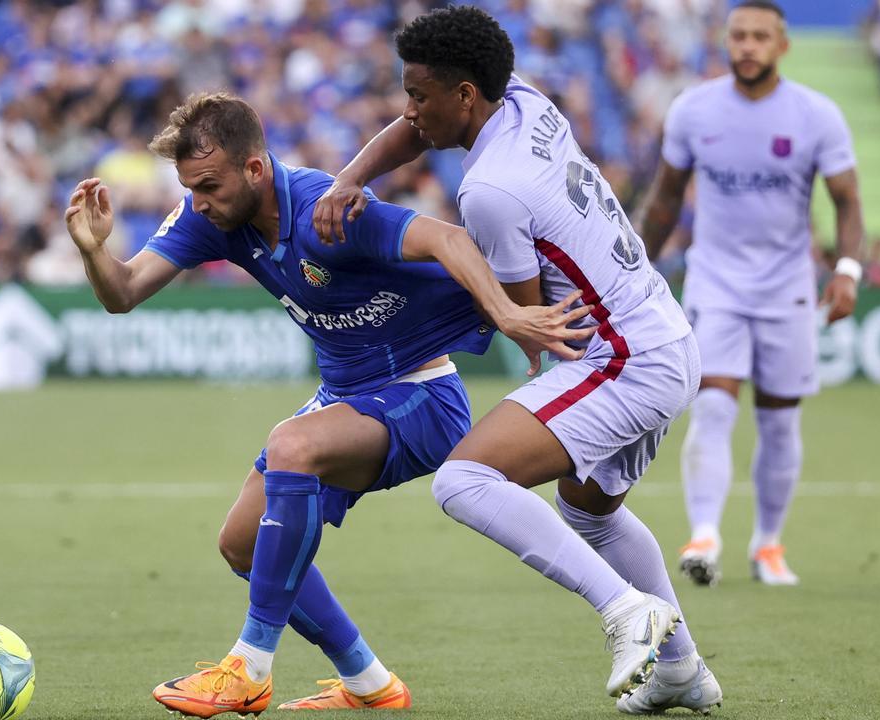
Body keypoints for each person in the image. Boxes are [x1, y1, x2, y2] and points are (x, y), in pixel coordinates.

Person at [64, 91, 593, 718]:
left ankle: (249, 668)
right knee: (241, 544)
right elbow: (122, 293)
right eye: (189, 188)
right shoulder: (212, 218)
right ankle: (369, 683)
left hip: (422, 395)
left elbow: (448, 239)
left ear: (255, 169)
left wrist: (507, 313)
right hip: (347, 395)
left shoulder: (326, 209)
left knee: (292, 444)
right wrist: (95, 251)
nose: (196, 201)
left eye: (206, 185)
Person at [315, 6, 722, 714]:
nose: (409, 111)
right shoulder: (525, 97)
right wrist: (349, 178)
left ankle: (628, 612)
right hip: (662, 333)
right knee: (589, 512)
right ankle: (680, 670)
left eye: (419, 95)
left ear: (464, 95)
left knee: (465, 480)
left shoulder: (490, 193)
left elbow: (532, 326)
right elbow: (414, 135)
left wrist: (403, 298)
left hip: (621, 356)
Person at [636, 0, 863, 588]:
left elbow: (847, 201)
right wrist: (631, 271)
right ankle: (704, 535)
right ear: (725, 41)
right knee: (712, 404)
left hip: (789, 287)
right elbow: (664, 200)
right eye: (739, 36)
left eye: (761, 36)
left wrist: (847, 271)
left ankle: (767, 545)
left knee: (780, 420)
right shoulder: (693, 110)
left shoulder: (817, 115)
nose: (748, 46)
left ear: (781, 45)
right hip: (716, 281)